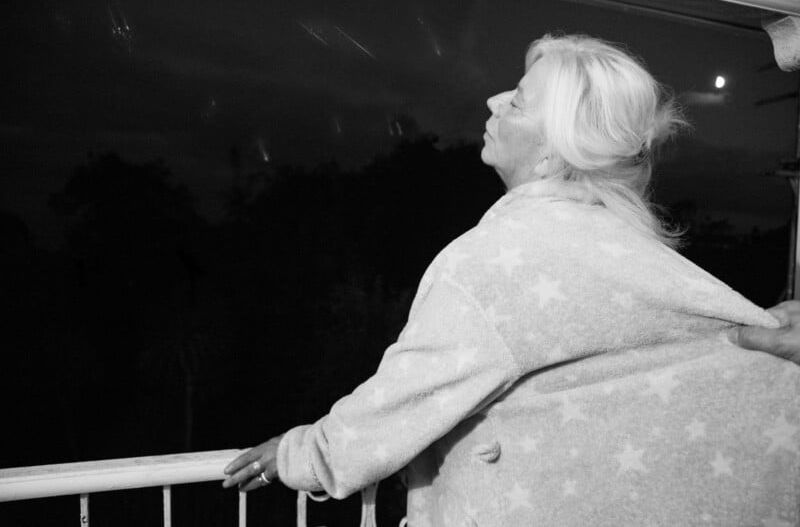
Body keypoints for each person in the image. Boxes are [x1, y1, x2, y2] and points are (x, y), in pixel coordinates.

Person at [223, 34, 800, 525]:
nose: (495, 99)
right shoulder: (629, 250)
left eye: (519, 103)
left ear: (553, 152)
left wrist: (300, 454)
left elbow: (407, 397)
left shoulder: (497, 258)